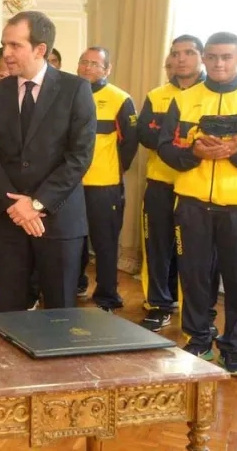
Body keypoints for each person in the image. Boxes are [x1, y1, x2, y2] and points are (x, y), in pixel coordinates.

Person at [158, 32, 237, 377]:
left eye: (226, 57)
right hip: (192, 203)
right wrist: (193, 153)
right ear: (203, 59)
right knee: (194, 277)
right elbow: (165, 146)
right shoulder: (184, 99)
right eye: (212, 57)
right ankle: (198, 340)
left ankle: (233, 349)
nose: (218, 63)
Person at [0, 10, 96, 312]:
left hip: (58, 220)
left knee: (59, 312)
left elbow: (79, 157)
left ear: (40, 49)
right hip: (8, 219)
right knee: (10, 312)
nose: (7, 53)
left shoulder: (75, 90)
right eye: (5, 44)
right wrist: (17, 206)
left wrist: (37, 203)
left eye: (16, 45)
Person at [137, 35, 207, 331]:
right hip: (161, 183)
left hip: (198, 187)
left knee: (197, 254)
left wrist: (170, 140)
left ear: (201, 57)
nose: (181, 59)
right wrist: (186, 143)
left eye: (189, 53)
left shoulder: (213, 95)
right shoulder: (157, 96)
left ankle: (199, 313)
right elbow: (146, 135)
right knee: (158, 247)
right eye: (176, 53)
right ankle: (159, 305)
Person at [77, 46, 138, 312]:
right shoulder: (68, 95)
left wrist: (114, 168)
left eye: (95, 63)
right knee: (73, 241)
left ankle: (106, 294)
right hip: (71, 186)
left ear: (107, 69)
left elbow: (130, 142)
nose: (88, 67)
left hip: (105, 186)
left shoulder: (120, 99)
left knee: (104, 242)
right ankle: (72, 285)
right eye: (84, 62)